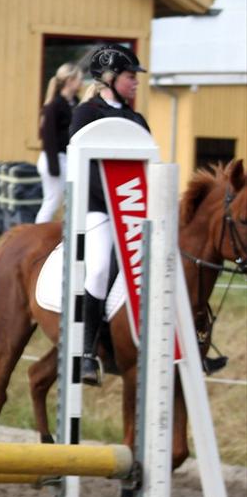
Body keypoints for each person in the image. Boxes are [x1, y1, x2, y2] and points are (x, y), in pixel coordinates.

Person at [69, 44, 149, 386]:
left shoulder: (137, 119)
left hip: (133, 210)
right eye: (131, 77)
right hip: (97, 207)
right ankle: (86, 351)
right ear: (110, 78)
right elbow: (81, 166)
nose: (135, 83)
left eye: (135, 78)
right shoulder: (86, 114)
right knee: (100, 265)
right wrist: (115, 204)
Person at [34, 63, 81, 223]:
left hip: (68, 159)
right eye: (79, 79)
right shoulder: (53, 106)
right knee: (52, 202)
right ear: (69, 80)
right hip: (54, 158)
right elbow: (49, 138)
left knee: (73, 199)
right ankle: (38, 234)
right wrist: (54, 167)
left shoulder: (75, 104)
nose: (81, 83)